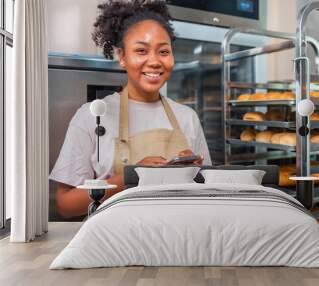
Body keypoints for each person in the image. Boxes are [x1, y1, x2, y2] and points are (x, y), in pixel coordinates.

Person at [49, 0, 211, 218]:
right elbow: (66, 204)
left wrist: (191, 175)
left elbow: (208, 193)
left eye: (163, 51)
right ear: (122, 56)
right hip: (115, 243)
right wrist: (130, 177)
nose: (154, 61)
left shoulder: (187, 117)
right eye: (141, 50)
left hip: (179, 240)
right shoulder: (91, 116)